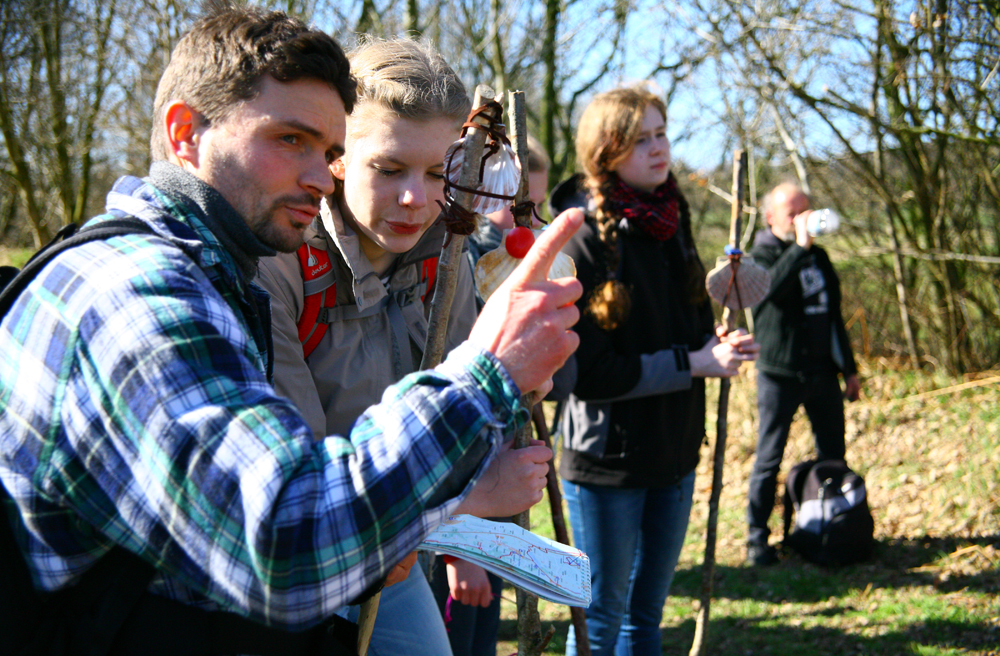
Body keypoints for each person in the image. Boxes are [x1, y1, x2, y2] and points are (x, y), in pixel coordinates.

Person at [0, 7, 582, 654]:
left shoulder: (219, 269)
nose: (318, 175)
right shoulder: (139, 298)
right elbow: (288, 542)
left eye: (327, 151)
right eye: (289, 140)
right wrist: (486, 381)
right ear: (185, 132)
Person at [255, 38, 553, 656]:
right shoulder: (280, 269)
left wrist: (524, 377)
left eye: (439, 173)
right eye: (389, 170)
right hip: (285, 569)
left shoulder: (450, 264)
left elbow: (477, 413)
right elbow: (304, 500)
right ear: (337, 158)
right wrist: (467, 500)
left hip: (397, 552)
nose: (417, 198)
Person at [549, 84, 758, 656]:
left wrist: (713, 344)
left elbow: (679, 330)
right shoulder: (581, 237)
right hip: (605, 463)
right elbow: (589, 374)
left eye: (662, 133)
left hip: (674, 451)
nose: (658, 148)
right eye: (640, 139)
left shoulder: (672, 218)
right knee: (600, 614)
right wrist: (693, 363)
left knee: (648, 615)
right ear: (606, 150)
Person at [425, 134, 553, 656]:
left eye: (537, 208)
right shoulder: (459, 261)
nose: (527, 221)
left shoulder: (515, 264)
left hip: (491, 491)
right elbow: (451, 401)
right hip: (447, 507)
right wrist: (462, 546)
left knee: (477, 636)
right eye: (519, 206)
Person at [744, 182, 861, 567]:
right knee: (769, 457)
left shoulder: (820, 257)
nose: (801, 220)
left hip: (822, 372)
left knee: (833, 454)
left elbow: (832, 316)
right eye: (792, 213)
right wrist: (798, 246)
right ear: (771, 218)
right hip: (779, 374)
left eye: (805, 211)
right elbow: (768, 291)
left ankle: (834, 525)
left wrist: (849, 370)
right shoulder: (758, 258)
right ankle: (758, 539)